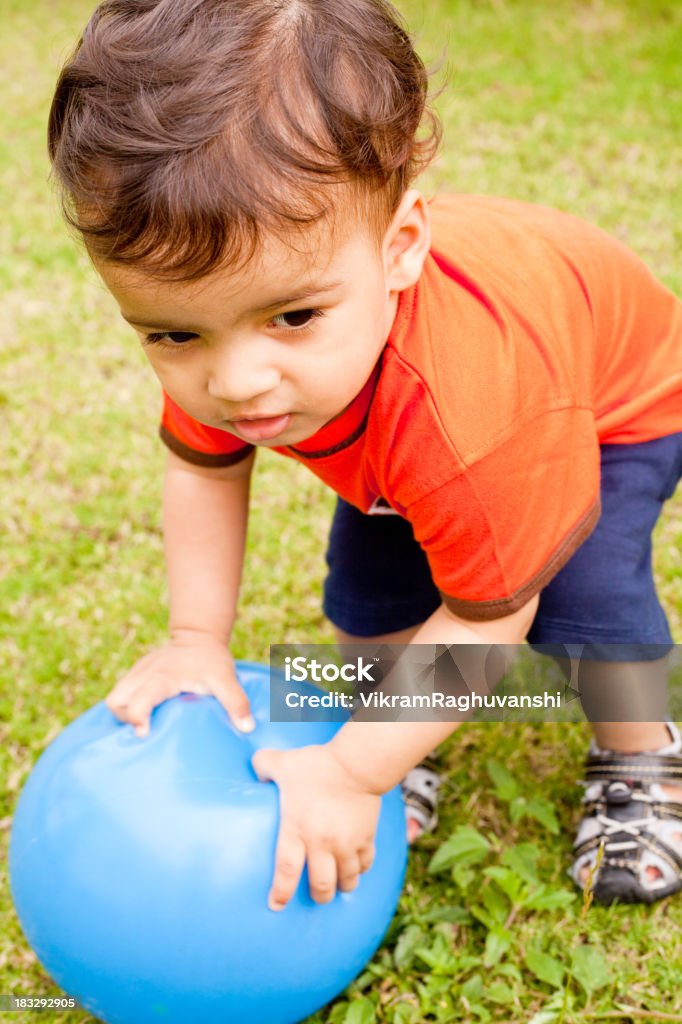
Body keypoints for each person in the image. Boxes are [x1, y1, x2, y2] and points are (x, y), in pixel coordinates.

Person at [47, 0, 682, 910]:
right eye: (172, 335)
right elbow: (202, 469)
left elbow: (485, 630)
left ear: (400, 250)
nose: (237, 383)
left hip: (611, 403)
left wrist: (349, 774)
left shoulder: (471, 415)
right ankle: (398, 731)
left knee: (584, 608)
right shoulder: (226, 333)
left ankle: (643, 754)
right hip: (409, 426)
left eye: (293, 317)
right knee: (370, 592)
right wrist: (197, 639)